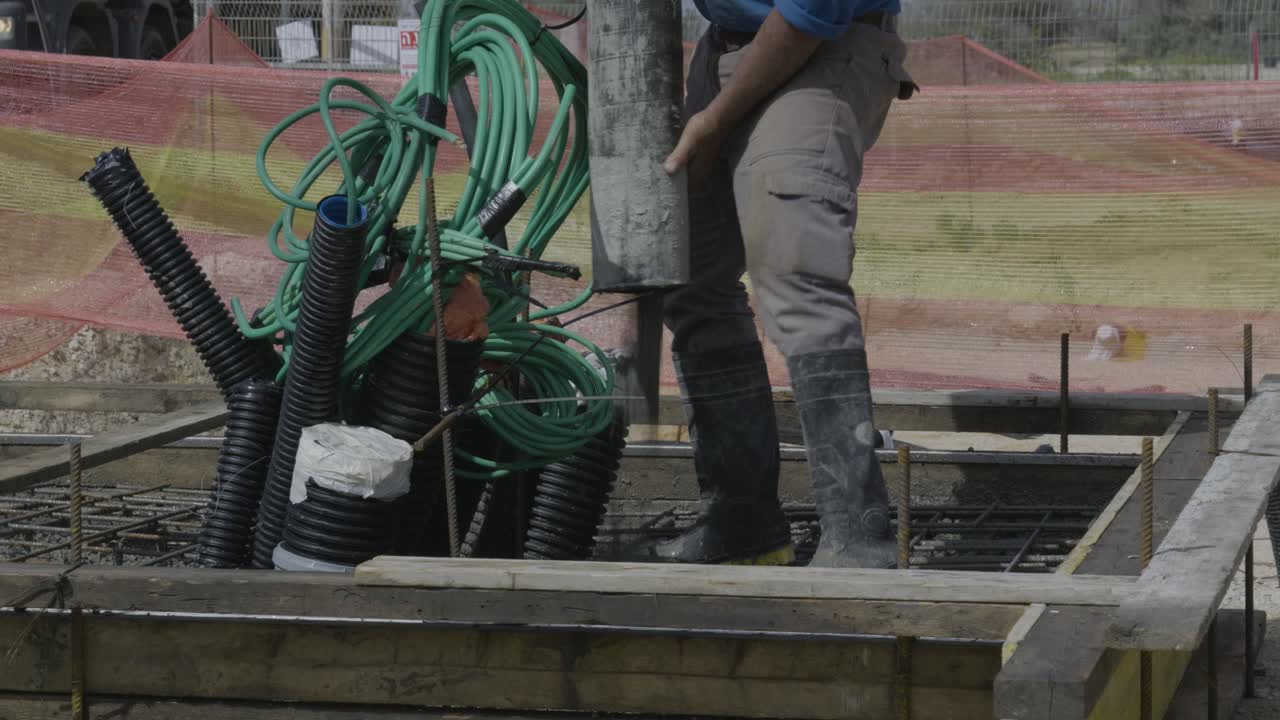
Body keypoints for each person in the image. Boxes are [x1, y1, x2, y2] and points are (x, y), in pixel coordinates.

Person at [645, 0, 917, 567]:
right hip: (727, 45)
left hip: (820, 46)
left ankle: (859, 539)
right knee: (690, 274)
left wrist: (714, 121)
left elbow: (814, 11)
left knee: (795, 268)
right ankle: (744, 522)